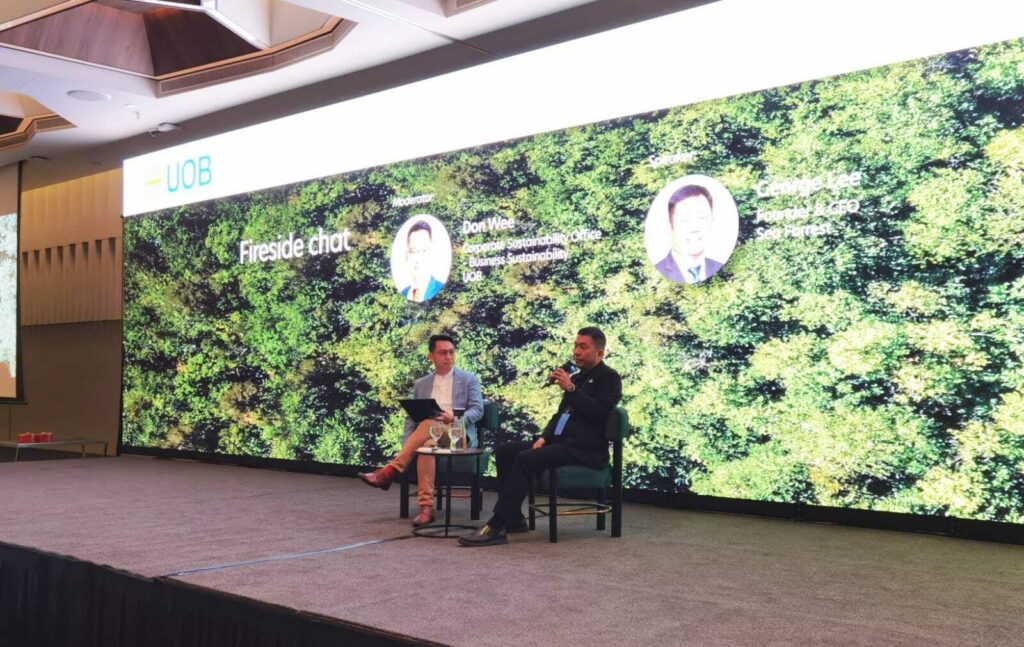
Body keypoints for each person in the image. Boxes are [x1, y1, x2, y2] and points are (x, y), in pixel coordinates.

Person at [459, 326, 622, 547]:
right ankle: (514, 519)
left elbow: (598, 412)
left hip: (584, 449)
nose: (576, 352)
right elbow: (560, 415)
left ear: (600, 353)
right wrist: (544, 437)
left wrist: (571, 389)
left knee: (525, 459)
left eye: (583, 347)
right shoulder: (579, 378)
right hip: (560, 443)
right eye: (575, 346)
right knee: (506, 451)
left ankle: (497, 524)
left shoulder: (609, 378)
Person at [358, 334, 484, 526]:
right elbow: (411, 417)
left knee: (426, 423)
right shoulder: (422, 384)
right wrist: (409, 445)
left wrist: (454, 418)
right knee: (426, 446)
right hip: (431, 434)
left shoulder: (468, 379)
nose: (448, 357)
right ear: (430, 356)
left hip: (458, 436)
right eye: (443, 353)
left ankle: (389, 471)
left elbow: (478, 410)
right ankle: (426, 508)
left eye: (451, 352)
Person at [654, 184, 723, 284]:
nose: (695, 228)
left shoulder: (721, 268)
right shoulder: (655, 273)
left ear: (712, 222)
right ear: (670, 225)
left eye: (702, 217)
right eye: (685, 220)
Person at [400, 220, 445, 302]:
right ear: (407, 256)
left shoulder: (441, 290)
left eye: (424, 250)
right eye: (413, 251)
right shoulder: (403, 293)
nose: (419, 257)